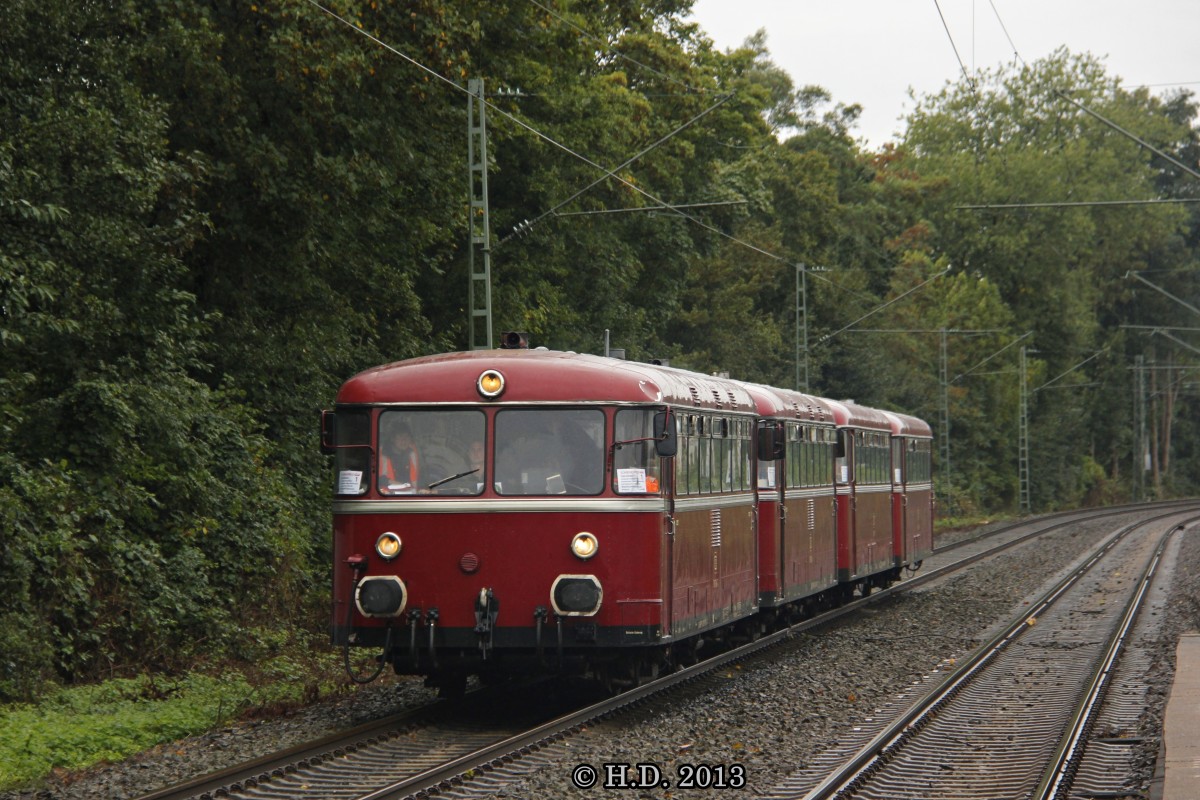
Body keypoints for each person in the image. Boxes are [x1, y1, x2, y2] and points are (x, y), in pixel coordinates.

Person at [379, 424, 420, 494]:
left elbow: (418, 478)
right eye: (400, 437)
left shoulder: (412, 453)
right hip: (386, 496)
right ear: (392, 438)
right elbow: (376, 479)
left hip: (410, 494)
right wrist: (391, 482)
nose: (404, 440)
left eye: (407, 437)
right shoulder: (382, 453)